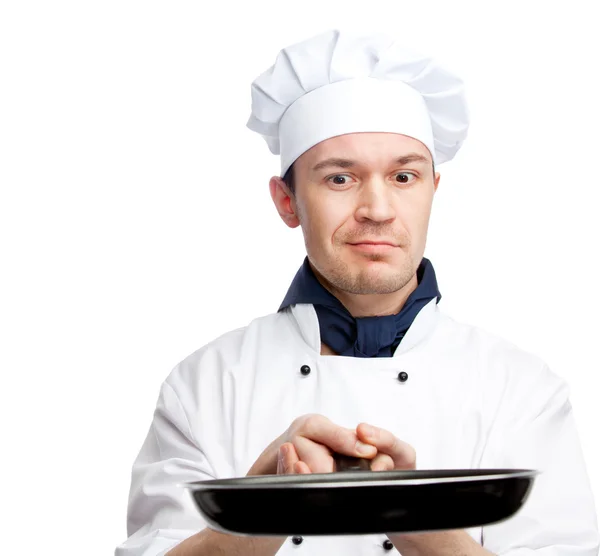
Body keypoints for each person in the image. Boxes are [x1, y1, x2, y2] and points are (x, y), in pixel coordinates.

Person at [115, 29, 599, 556]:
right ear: (287, 202)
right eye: (340, 179)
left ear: (433, 191)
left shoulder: (522, 392)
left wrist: (420, 519)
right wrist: (256, 513)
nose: (378, 209)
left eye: (403, 176)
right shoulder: (205, 386)